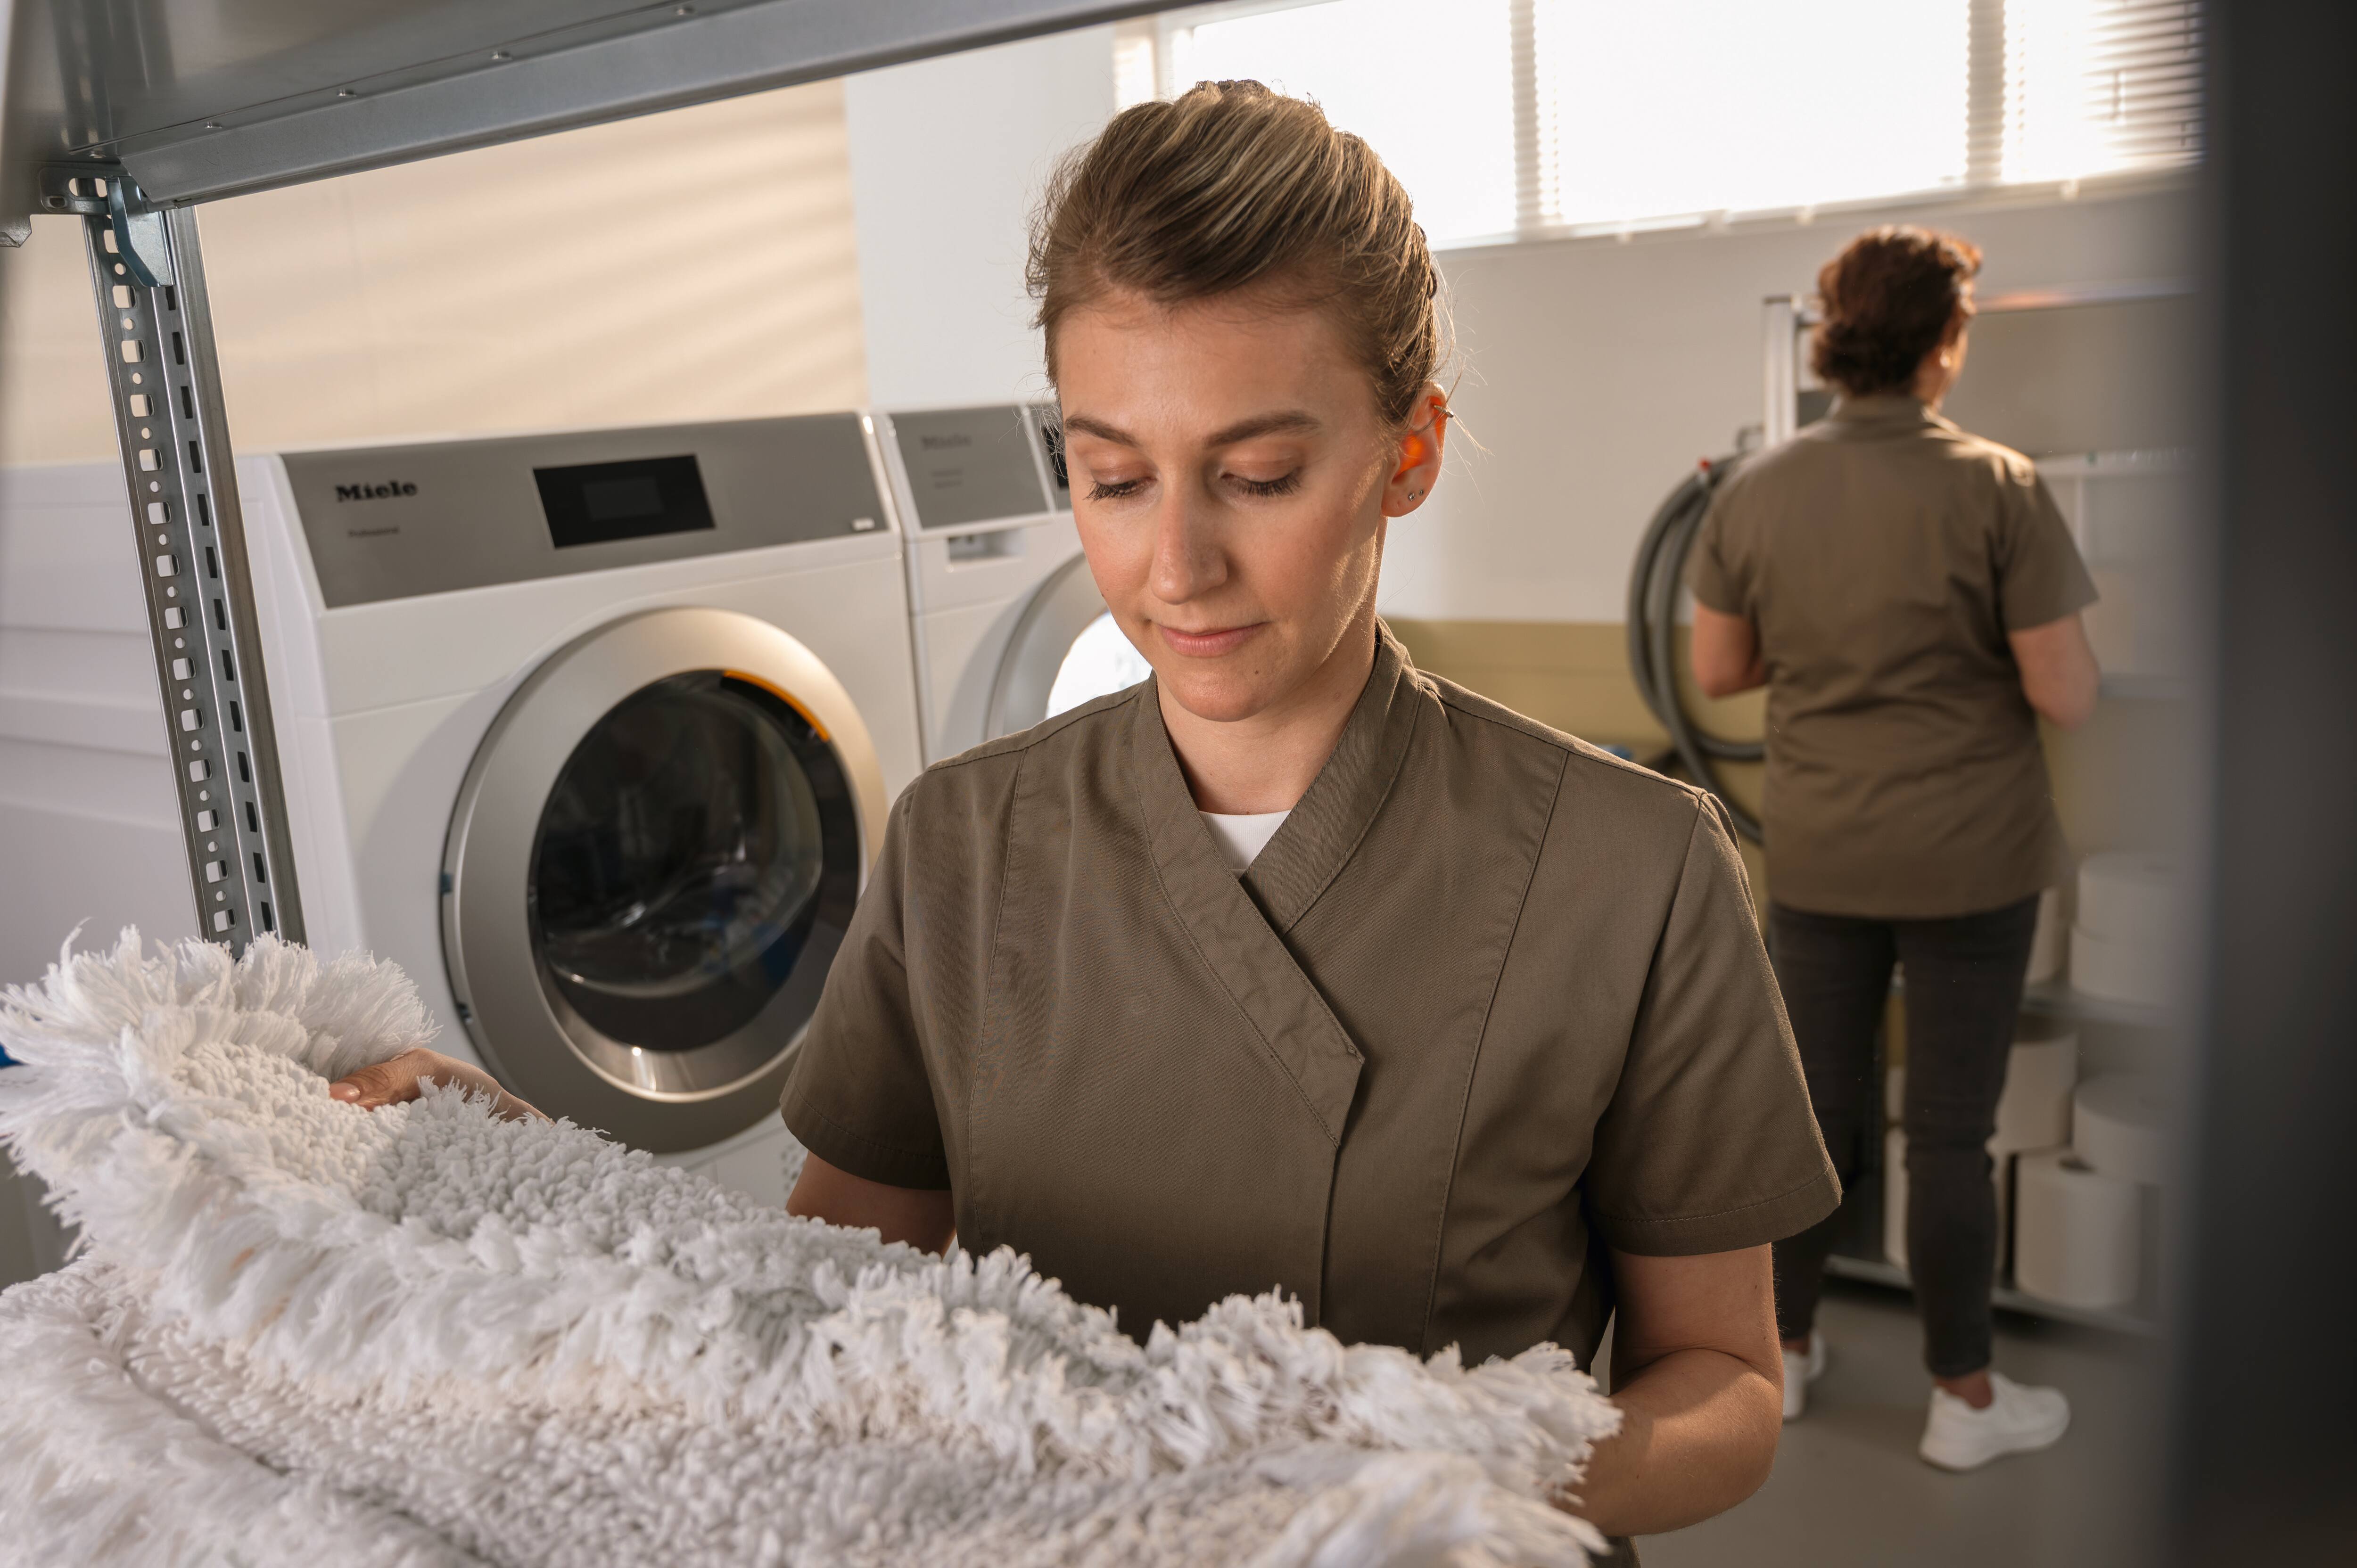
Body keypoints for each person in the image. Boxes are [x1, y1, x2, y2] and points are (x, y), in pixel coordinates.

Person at [335, 82, 1838, 1550]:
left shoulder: (1628, 870)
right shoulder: (961, 845)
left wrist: (1418, 1500)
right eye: (1113, 477)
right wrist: (533, 1171)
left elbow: (1726, 1387)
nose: (1175, 566)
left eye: (1257, 475)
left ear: (1410, 453)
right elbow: (813, 1297)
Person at [1686, 225, 2101, 1472]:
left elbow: (1719, 671)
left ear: (1835, 342)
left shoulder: (1754, 490)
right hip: (1971, 858)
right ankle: (1963, 1403)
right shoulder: (1999, 485)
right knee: (1953, 1133)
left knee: (1812, 1113)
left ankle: (1790, 1358)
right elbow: (2068, 693)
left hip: (1820, 854)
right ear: (1945, 344)